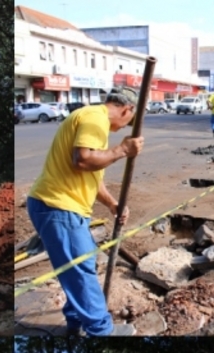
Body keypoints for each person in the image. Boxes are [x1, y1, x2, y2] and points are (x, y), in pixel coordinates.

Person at [26, 86, 145, 337]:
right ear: (127, 110)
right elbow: (82, 160)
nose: (126, 126)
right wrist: (122, 150)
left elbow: (91, 175)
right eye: (130, 120)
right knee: (81, 274)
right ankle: (101, 331)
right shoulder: (95, 119)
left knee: (83, 263)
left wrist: (112, 203)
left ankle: (75, 321)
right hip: (58, 206)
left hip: (65, 207)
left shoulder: (92, 118)